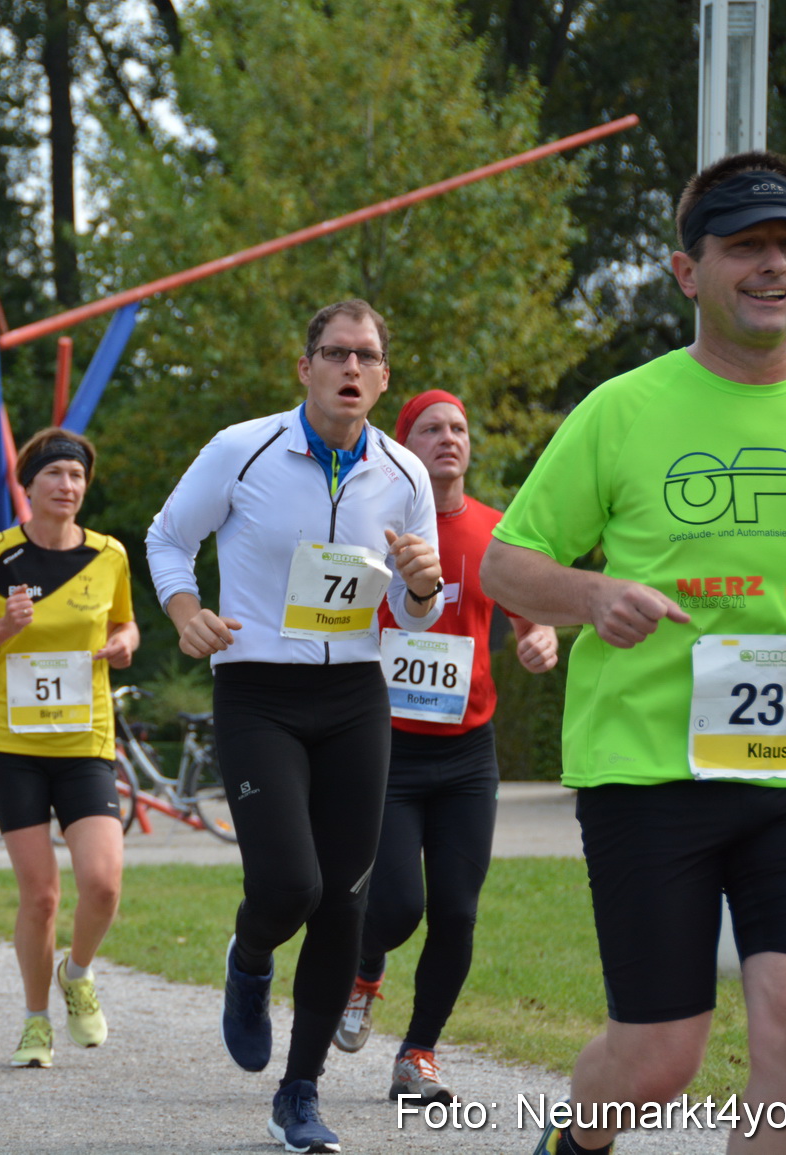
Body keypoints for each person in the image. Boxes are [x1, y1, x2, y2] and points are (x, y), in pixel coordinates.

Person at [480, 152, 786, 1155]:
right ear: (688, 272)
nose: (772, 266)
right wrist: (593, 594)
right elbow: (507, 563)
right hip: (646, 770)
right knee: (659, 1056)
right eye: (744, 248)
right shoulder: (622, 408)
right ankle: (571, 1141)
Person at [146, 298, 443, 1154]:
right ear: (304, 366)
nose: (352, 368)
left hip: (355, 696)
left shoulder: (404, 473)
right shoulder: (243, 450)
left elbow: (412, 616)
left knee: (345, 903)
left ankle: (300, 1091)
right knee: (288, 886)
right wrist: (185, 610)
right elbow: (168, 538)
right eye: (336, 353)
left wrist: (421, 587)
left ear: (385, 376)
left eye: (369, 356)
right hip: (259, 692)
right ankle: (249, 956)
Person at [328, 390, 560, 1105]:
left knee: (457, 910)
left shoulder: (496, 530)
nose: (448, 438)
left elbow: (529, 615)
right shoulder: (373, 525)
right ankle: (366, 970)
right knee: (397, 905)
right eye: (430, 428)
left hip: (467, 753)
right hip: (389, 747)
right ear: (404, 443)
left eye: (459, 427)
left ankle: (417, 1053)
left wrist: (536, 635)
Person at [0, 426, 138, 1069]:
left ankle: (76, 973)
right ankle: (34, 1022)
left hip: (84, 741)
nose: (67, 486)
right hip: (12, 745)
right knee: (42, 894)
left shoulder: (110, 555)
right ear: (28, 486)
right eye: (54, 474)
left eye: (77, 476)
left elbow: (124, 622)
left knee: (103, 884)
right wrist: (3, 627)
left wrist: (126, 642)